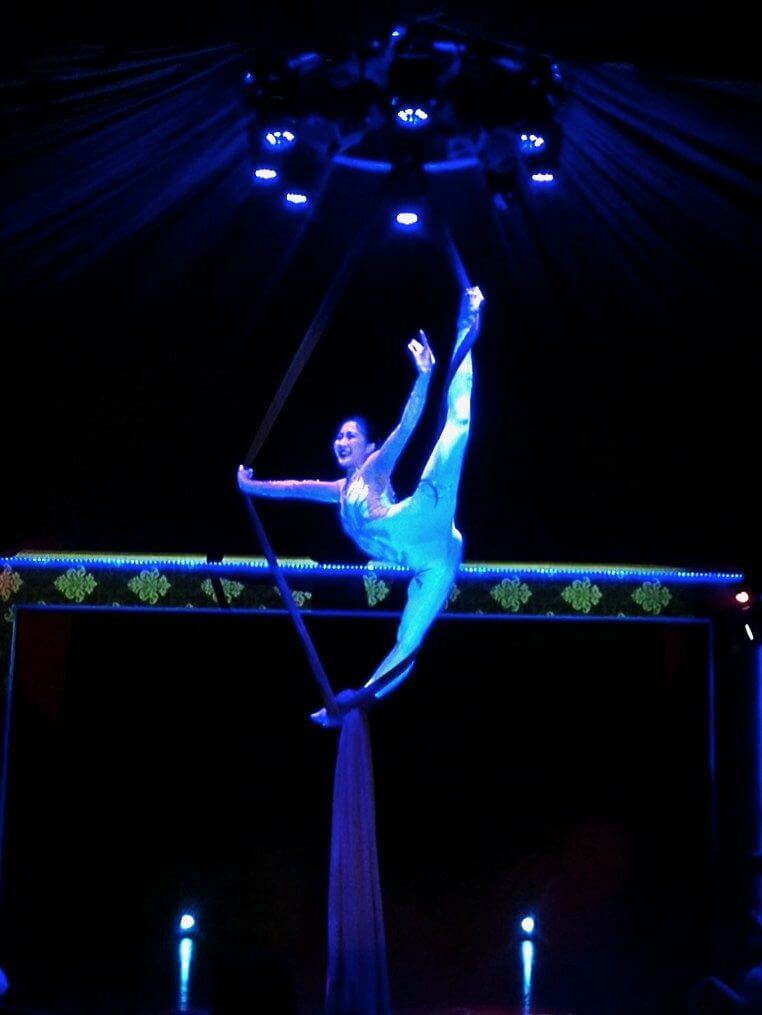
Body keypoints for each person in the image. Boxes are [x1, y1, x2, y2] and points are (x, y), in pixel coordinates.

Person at [237, 285, 484, 724]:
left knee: (458, 426)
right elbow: (293, 487)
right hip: (428, 559)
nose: (342, 440)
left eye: (351, 435)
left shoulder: (374, 468)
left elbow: (407, 426)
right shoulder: (339, 490)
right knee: (407, 644)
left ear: (367, 446)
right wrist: (251, 486)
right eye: (339, 435)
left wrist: (424, 377)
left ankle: (467, 322)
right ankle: (350, 706)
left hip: (421, 519)